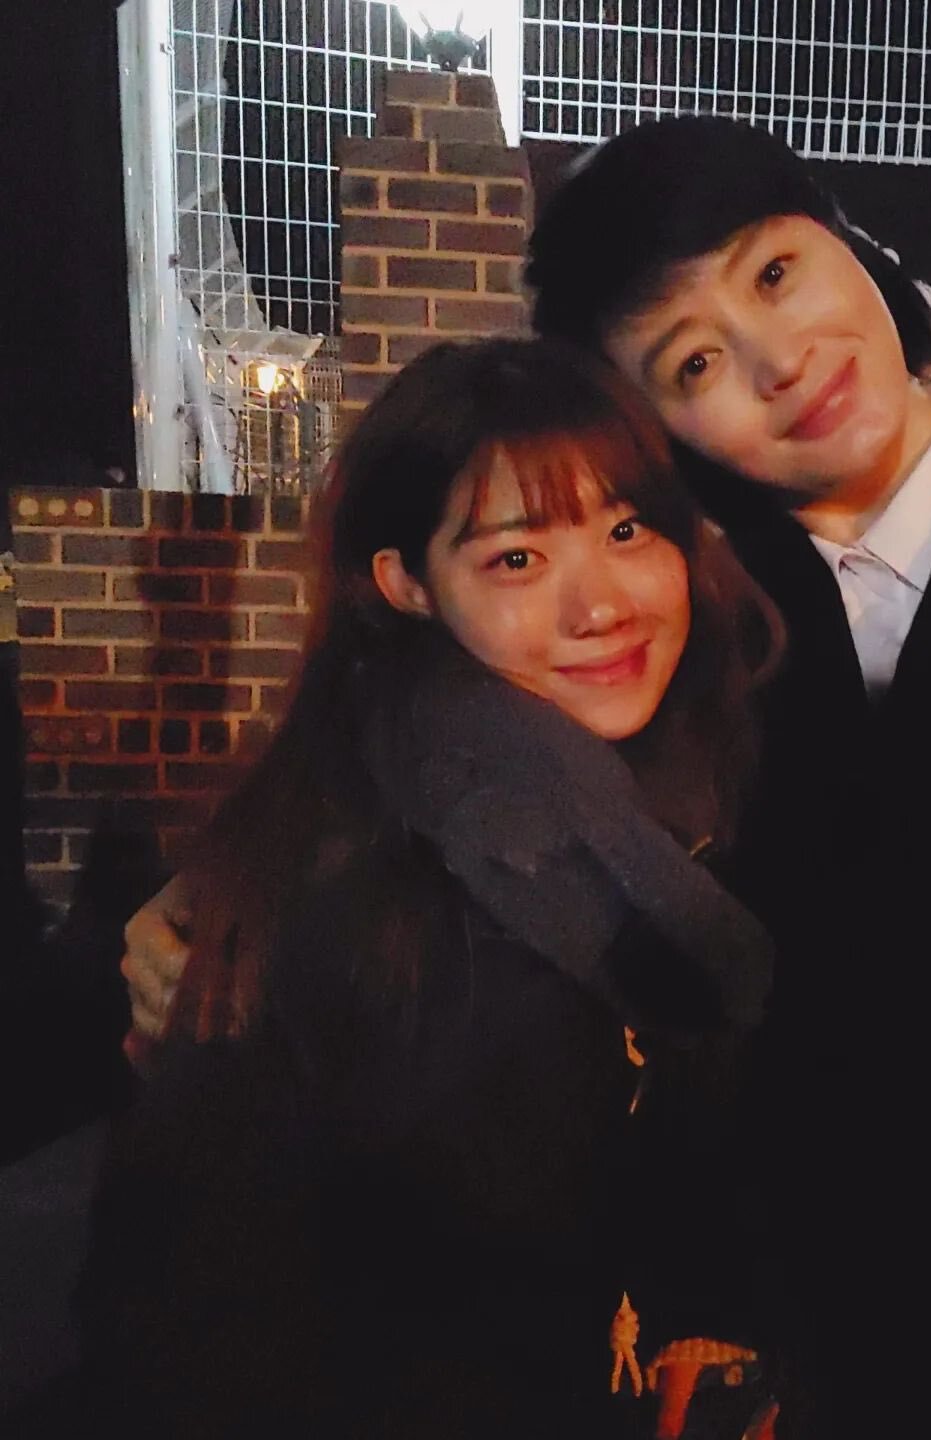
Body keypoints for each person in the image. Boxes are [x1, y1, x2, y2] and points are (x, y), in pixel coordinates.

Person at [128, 118, 931, 1437]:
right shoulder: (704, 615)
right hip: (845, 1370)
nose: (778, 360)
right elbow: (472, 763)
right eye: (693, 361)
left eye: (773, 273)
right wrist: (238, 907)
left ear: (850, 247)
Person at [79, 337, 781, 1439]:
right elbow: (190, 1319)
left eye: (626, 532)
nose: (601, 606)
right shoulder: (352, 892)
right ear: (406, 584)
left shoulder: (709, 787)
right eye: (517, 559)